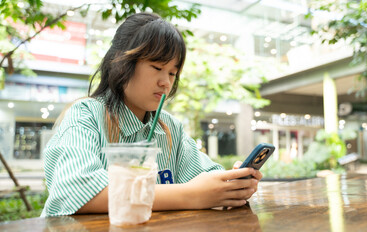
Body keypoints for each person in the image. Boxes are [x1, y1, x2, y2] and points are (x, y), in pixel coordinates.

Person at [41, 12, 262, 217]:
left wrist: (231, 184)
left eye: (173, 73)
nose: (165, 82)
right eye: (157, 67)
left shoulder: (169, 128)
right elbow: (75, 192)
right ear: (121, 63)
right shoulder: (86, 116)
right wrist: (192, 195)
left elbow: (206, 176)